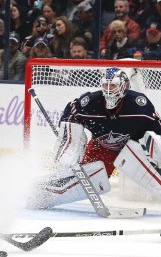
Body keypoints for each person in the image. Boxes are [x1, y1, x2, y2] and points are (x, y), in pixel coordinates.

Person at [27, 67, 161, 209]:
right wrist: (70, 142)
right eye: (105, 85)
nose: (109, 90)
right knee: (89, 180)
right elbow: (71, 111)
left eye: (113, 86)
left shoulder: (138, 105)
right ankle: (38, 193)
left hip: (132, 149)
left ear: (123, 86)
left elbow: (158, 131)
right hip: (102, 148)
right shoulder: (91, 102)